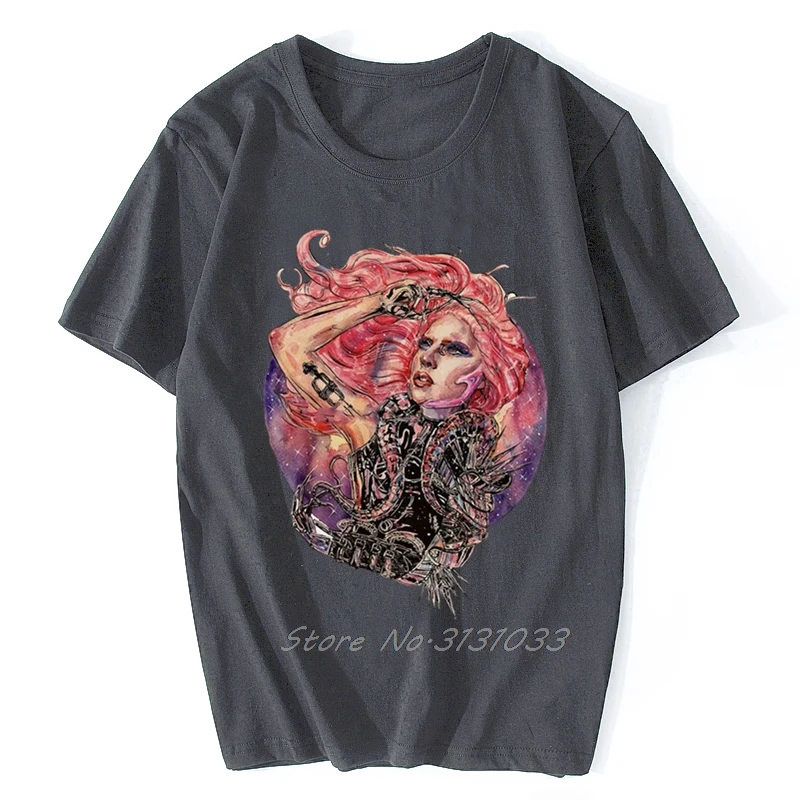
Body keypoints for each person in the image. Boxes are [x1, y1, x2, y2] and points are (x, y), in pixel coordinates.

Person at [268, 229, 533, 614]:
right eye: (425, 343)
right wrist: (377, 303)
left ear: (484, 371)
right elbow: (287, 343)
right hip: (345, 613)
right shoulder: (368, 424)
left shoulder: (486, 444)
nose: (428, 358)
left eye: (454, 350)